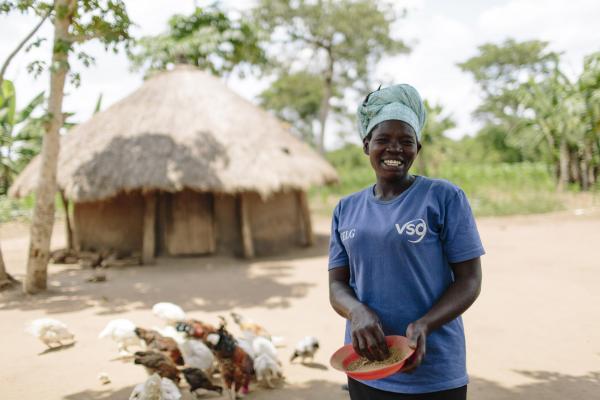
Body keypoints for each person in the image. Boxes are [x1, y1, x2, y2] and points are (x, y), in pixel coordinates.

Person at [328, 84, 484, 400]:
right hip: (367, 366)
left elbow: (469, 280)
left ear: (418, 147)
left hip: (433, 371)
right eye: (383, 139)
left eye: (406, 141)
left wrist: (425, 324)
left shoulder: (443, 197)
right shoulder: (346, 209)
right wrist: (357, 311)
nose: (394, 149)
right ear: (366, 144)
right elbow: (337, 286)